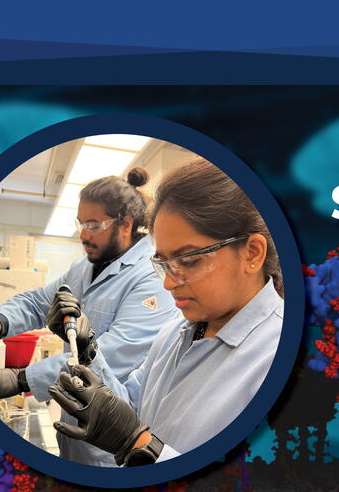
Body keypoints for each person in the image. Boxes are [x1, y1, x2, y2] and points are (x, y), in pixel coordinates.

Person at [47, 159, 284, 466]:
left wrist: (138, 445)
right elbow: (132, 406)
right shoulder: (177, 331)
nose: (170, 283)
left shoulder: (277, 357)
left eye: (189, 261)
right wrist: (88, 353)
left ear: (252, 253)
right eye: (163, 264)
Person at [0, 167, 177, 465]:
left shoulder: (151, 278)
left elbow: (111, 354)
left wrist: (22, 379)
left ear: (125, 224)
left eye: (94, 224)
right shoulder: (84, 267)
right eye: (81, 223)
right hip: (73, 419)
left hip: (114, 441)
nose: (83, 234)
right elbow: (37, 302)